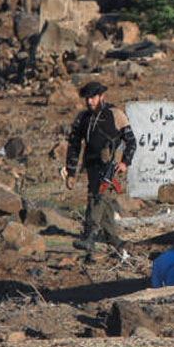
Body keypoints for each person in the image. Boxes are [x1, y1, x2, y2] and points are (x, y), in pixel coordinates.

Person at [65, 80, 137, 252]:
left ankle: (89, 236)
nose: (90, 102)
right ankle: (114, 240)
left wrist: (125, 162)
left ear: (101, 96)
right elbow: (74, 145)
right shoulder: (83, 118)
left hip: (111, 167)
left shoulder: (115, 114)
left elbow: (131, 142)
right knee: (102, 201)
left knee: (98, 197)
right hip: (91, 166)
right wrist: (71, 172)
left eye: (93, 98)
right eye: (87, 98)